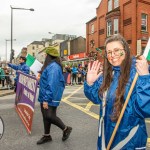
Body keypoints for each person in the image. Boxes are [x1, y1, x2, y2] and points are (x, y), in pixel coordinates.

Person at [84, 34, 150, 150]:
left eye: (116, 50)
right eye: (108, 52)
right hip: (106, 139)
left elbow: (146, 109)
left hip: (129, 141)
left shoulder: (138, 72)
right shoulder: (108, 73)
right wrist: (90, 84)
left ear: (126, 50)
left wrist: (145, 78)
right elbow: (96, 98)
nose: (112, 55)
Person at [37, 46, 72, 145]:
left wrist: (46, 100)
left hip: (50, 96)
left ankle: (66, 129)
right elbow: (47, 81)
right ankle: (47, 135)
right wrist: (40, 79)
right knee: (45, 116)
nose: (44, 56)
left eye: (45, 55)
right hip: (45, 95)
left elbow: (51, 84)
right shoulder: (50, 66)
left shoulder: (54, 67)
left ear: (49, 55)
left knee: (49, 115)